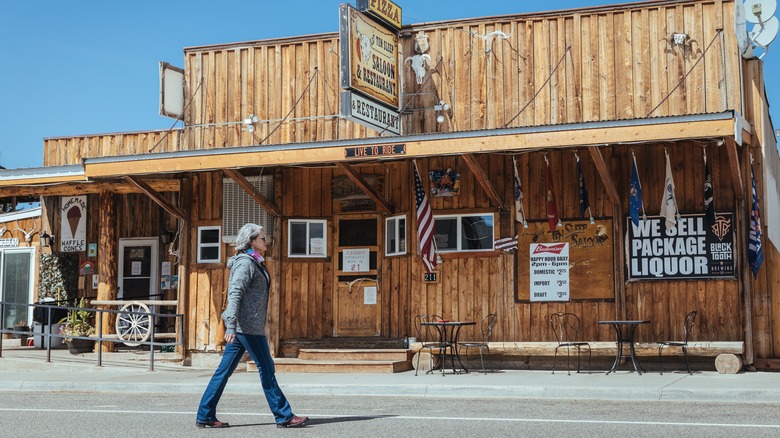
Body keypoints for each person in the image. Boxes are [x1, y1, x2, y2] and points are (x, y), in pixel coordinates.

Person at [196, 223, 309, 429]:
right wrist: (230, 325)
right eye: (262, 238)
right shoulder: (246, 264)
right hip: (246, 327)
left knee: (224, 371)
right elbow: (235, 293)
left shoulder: (254, 262)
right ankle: (284, 415)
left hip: (246, 326)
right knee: (266, 368)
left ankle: (205, 414)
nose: (266, 241)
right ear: (252, 242)